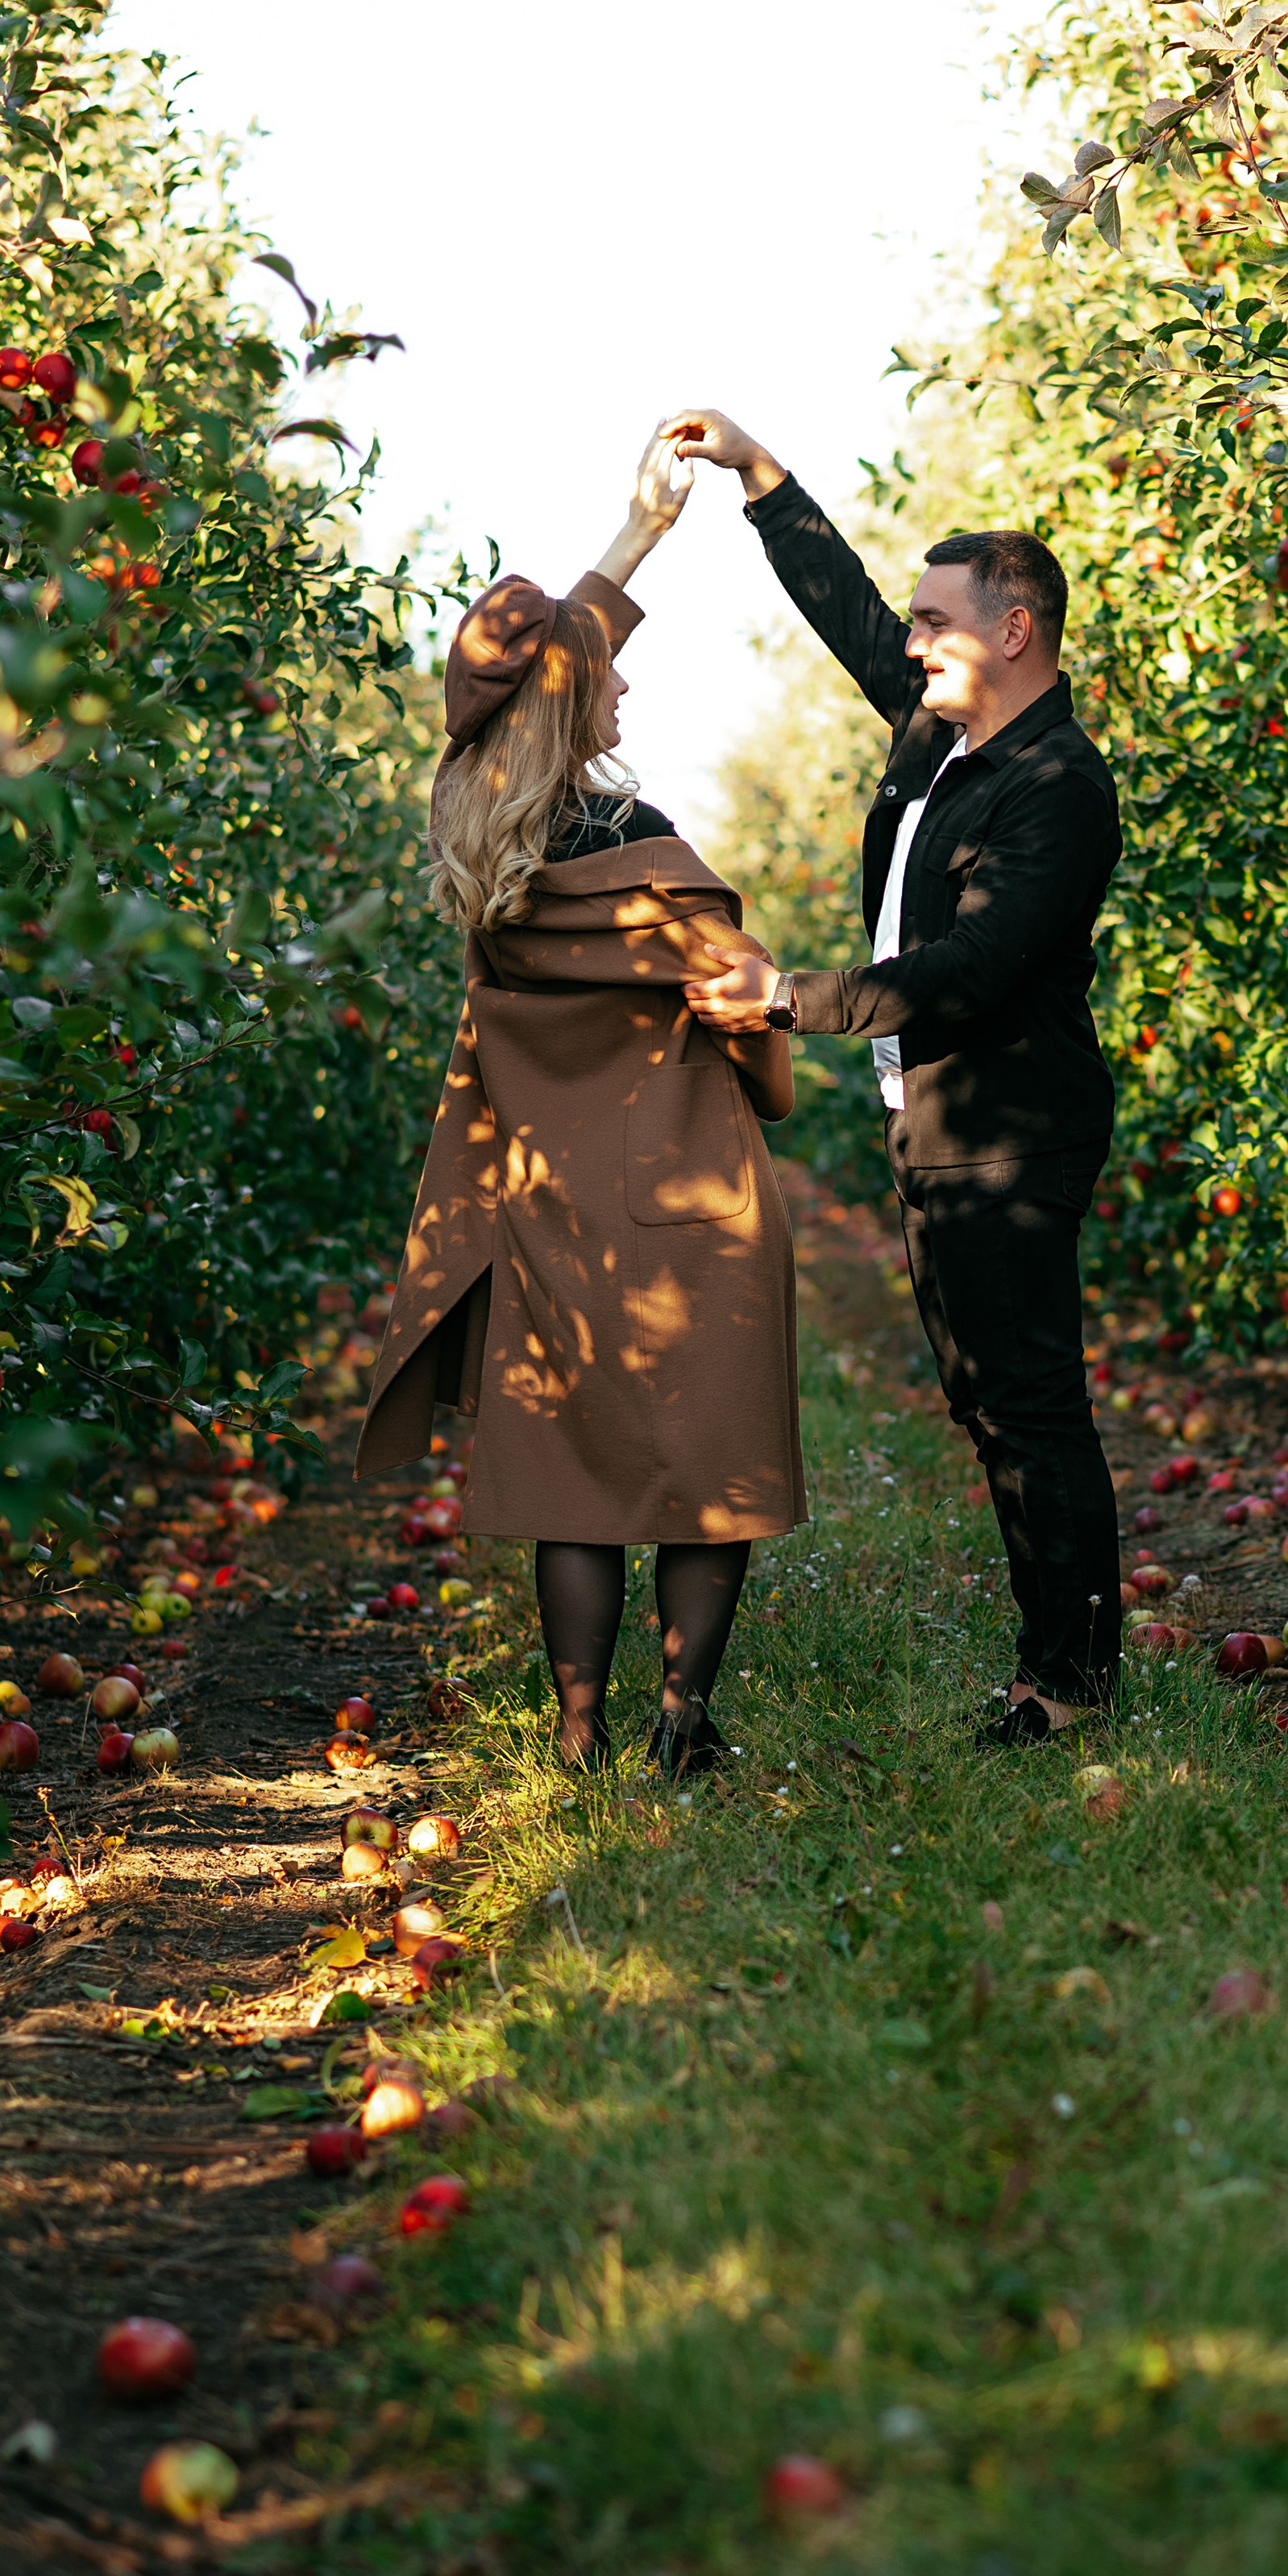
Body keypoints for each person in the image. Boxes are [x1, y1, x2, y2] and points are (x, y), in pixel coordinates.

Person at [667, 408, 1122, 1747]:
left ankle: (1072, 1681)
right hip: (937, 1121)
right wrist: (760, 476)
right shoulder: (942, 741)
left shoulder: (1058, 784)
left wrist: (787, 998)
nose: (914, 643)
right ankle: (1055, 1657)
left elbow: (968, 971)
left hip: (1009, 1126)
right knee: (987, 1400)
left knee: (1029, 1404)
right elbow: (849, 612)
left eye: (939, 622)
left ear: (1015, 631)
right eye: (919, 624)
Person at [355, 425, 805, 1776]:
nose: (622, 686)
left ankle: (576, 1730)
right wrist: (768, 1053)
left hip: (550, 1209)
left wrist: (638, 532)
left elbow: (538, 665)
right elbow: (752, 1029)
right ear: (572, 704)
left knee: (577, 1482)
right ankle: (683, 1722)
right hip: (690, 1202)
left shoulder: (482, 857)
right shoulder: (649, 863)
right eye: (604, 678)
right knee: (707, 1473)